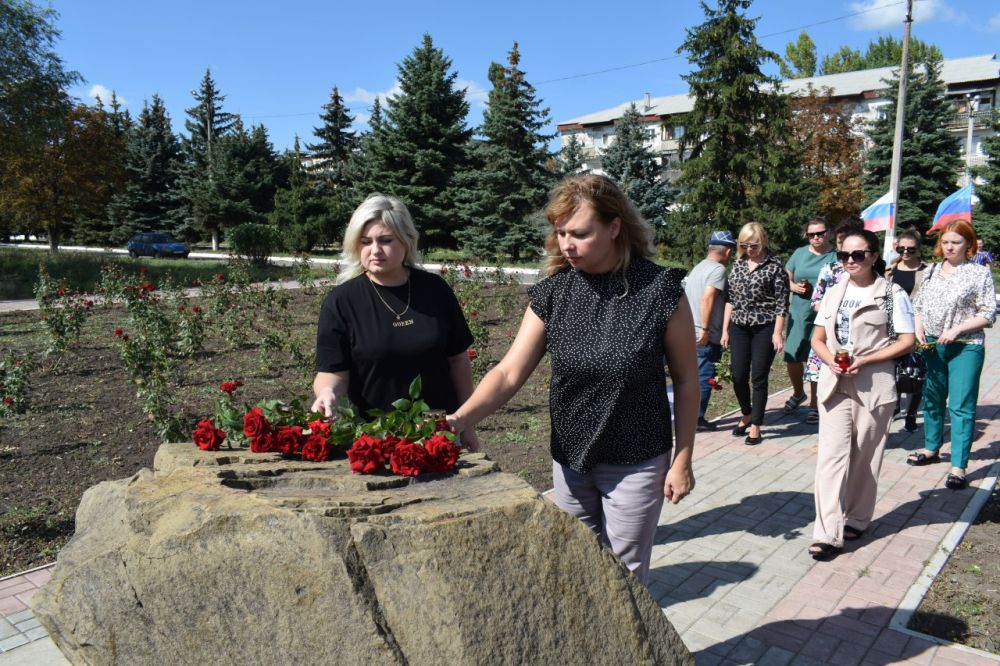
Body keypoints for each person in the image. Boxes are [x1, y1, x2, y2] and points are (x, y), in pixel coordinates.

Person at [446, 175, 698, 585]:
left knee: (625, 579)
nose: (566, 244)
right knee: (577, 571)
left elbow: (687, 381)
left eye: (580, 233)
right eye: (561, 233)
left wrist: (683, 459)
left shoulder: (660, 291)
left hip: (636, 460)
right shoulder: (554, 293)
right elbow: (508, 373)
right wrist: (459, 420)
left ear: (614, 227)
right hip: (570, 460)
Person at [311, 193, 479, 449]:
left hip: (439, 435)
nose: (375, 250)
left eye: (385, 240)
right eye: (365, 242)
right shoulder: (342, 301)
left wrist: (468, 425)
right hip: (372, 439)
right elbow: (333, 373)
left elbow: (458, 361)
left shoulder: (435, 290)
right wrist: (327, 393)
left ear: (406, 240)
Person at [809, 229, 916, 560]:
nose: (850, 261)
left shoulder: (891, 294)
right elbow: (817, 338)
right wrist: (831, 361)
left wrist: (865, 360)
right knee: (831, 457)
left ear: (873, 256)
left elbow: (907, 340)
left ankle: (856, 518)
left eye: (858, 255)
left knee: (865, 457)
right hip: (835, 383)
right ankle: (827, 533)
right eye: (844, 255)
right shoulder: (834, 291)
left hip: (874, 385)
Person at [907, 220, 997, 490]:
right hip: (932, 345)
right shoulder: (932, 270)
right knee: (933, 399)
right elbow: (918, 305)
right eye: (945, 242)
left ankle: (958, 465)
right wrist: (918, 328)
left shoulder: (978, 273)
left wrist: (958, 329)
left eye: (956, 242)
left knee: (960, 406)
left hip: (965, 346)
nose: (949, 247)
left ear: (968, 244)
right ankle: (931, 448)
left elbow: (988, 312)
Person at [721, 222, 788, 445]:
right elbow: (730, 299)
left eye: (753, 245)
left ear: (762, 242)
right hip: (739, 326)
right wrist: (725, 329)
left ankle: (756, 425)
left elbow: (781, 304)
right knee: (738, 374)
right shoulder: (738, 265)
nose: (749, 249)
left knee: (758, 376)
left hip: (765, 326)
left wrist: (777, 333)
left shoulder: (775, 265)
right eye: (744, 245)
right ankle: (747, 412)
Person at [802, 219, 864, 423]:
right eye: (840, 243)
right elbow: (815, 301)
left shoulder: (869, 271)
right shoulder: (830, 269)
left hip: (858, 333)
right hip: (830, 330)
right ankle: (815, 404)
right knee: (822, 367)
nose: (845, 251)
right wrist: (834, 310)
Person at [783, 219, 836, 421]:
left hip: (823, 312)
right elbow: (786, 276)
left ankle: (815, 402)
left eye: (820, 233)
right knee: (792, 354)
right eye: (811, 234)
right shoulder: (799, 253)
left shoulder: (836, 255)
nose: (816, 237)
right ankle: (799, 393)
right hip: (800, 310)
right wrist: (793, 286)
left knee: (817, 356)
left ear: (828, 233)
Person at [684, 230, 736, 431]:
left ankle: (690, 417)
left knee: (694, 376)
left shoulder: (699, 267)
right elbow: (707, 298)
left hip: (690, 330)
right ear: (728, 251)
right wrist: (705, 329)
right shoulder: (717, 270)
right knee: (704, 377)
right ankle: (696, 419)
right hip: (704, 335)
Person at [885, 227, 929, 432]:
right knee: (892, 370)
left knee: (914, 372)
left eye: (910, 249)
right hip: (892, 327)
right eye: (901, 248)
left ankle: (911, 414)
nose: (905, 252)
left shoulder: (927, 271)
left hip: (918, 326)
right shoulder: (889, 270)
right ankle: (894, 407)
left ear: (918, 248)